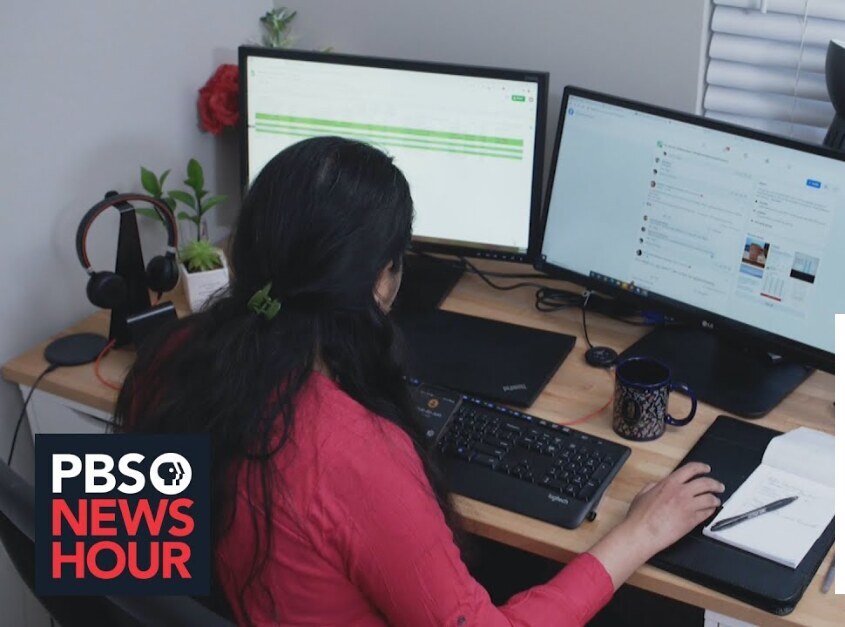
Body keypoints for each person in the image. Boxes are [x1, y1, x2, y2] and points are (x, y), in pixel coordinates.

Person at [117, 137, 724, 626]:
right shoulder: (353, 455)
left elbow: (115, 555)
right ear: (381, 281)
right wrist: (639, 533)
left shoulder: (170, 355)